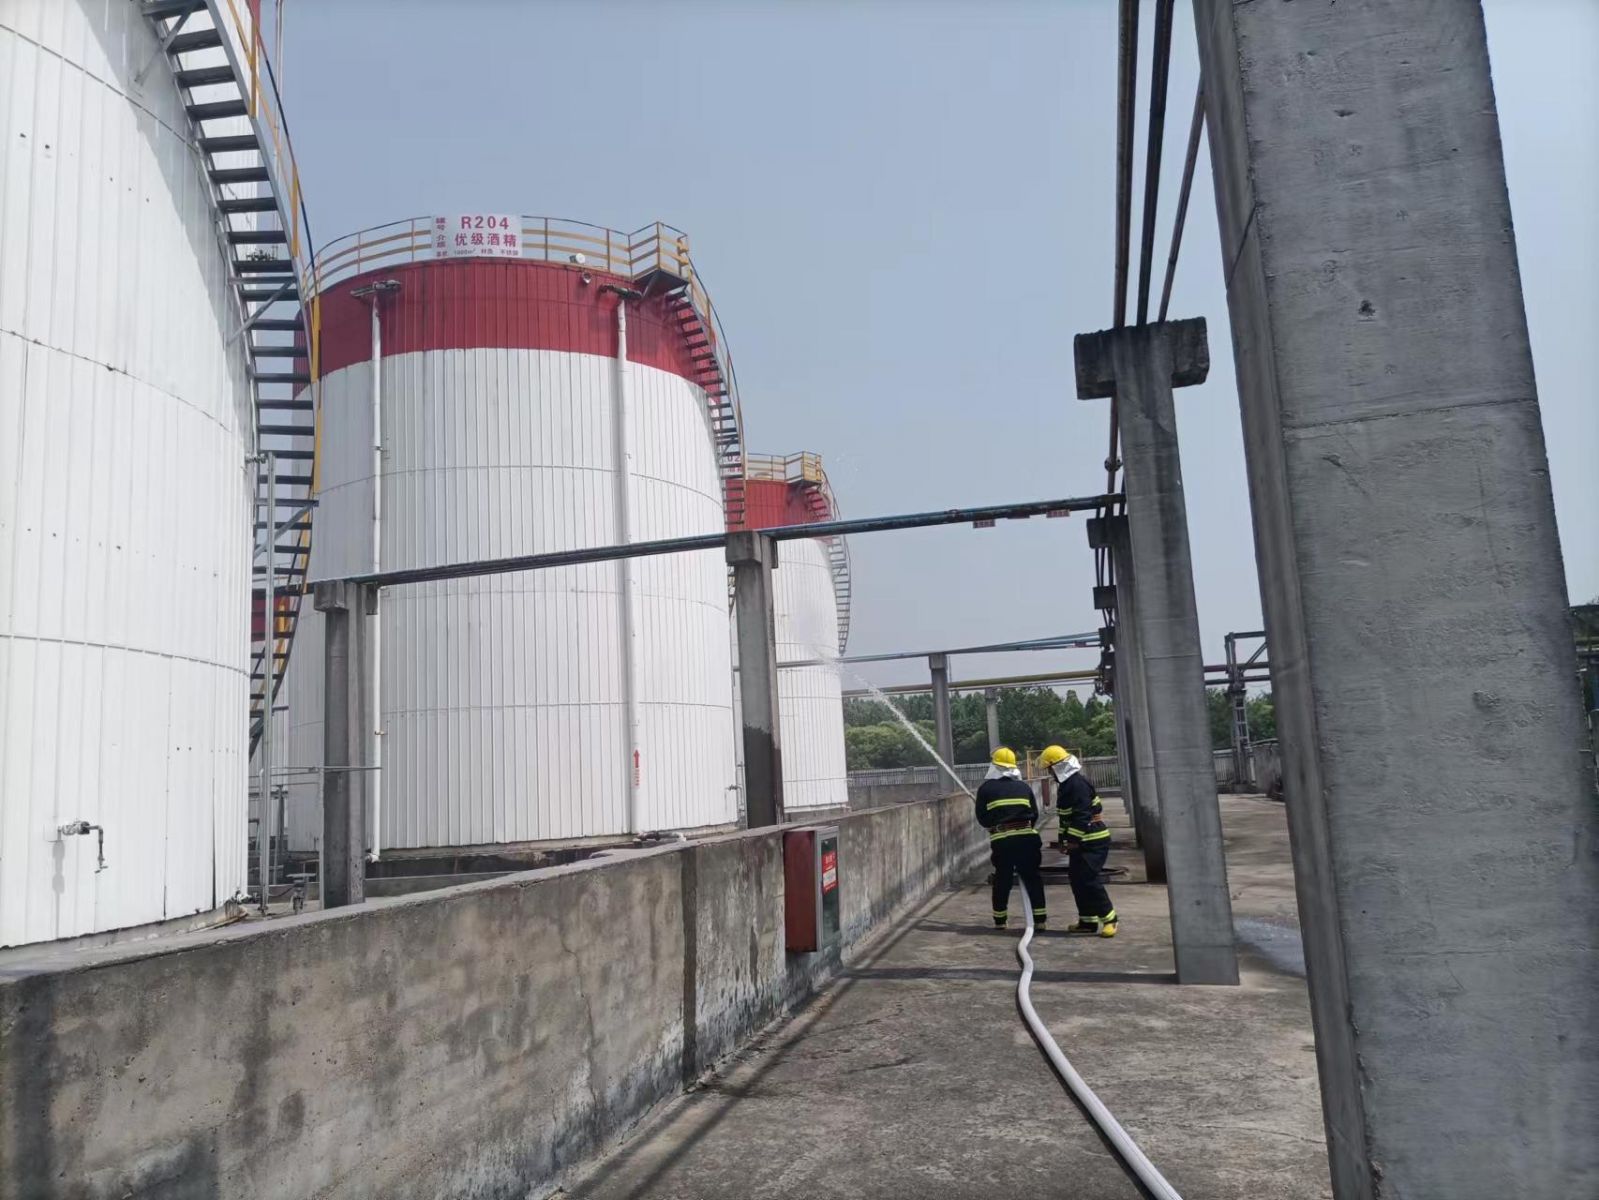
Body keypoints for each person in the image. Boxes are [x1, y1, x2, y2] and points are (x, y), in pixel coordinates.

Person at [1039, 744, 1117, 937]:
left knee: (1089, 879)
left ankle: (1110, 919)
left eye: (1050, 769)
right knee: (1077, 880)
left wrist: (1072, 839)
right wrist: (1063, 840)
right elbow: (1066, 818)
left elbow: (1082, 815)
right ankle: (1087, 921)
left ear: (1057, 766)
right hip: (1082, 842)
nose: (1050, 773)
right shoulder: (1067, 785)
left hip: (1093, 840)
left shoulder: (1077, 784)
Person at [974, 747, 1046, 930]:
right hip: (1027, 839)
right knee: (1032, 878)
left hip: (1003, 840)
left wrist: (996, 826)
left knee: (1002, 879)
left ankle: (1000, 920)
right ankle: (1040, 920)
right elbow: (1034, 814)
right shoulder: (1024, 787)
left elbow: (982, 818)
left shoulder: (986, 789)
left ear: (994, 766)